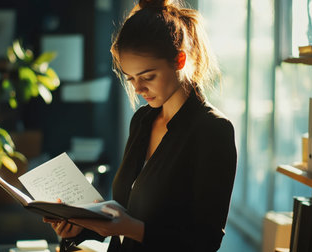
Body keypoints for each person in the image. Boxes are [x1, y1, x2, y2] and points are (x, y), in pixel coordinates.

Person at [44, 0, 237, 251]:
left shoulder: (212, 130)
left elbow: (205, 242)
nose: (138, 88)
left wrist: (128, 228)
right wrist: (81, 226)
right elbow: (126, 212)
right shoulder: (142, 121)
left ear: (180, 60)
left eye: (147, 76)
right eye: (131, 78)